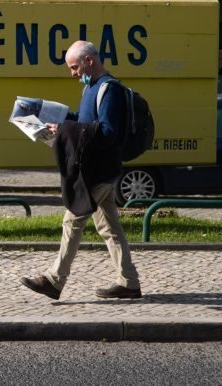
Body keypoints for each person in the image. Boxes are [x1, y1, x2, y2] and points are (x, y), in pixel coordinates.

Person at [20, 40, 142, 301]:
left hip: (99, 172)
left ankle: (54, 280)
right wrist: (60, 122)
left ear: (89, 60)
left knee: (72, 220)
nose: (73, 73)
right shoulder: (92, 89)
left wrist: (64, 130)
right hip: (98, 170)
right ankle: (129, 282)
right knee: (109, 227)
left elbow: (108, 133)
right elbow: (87, 124)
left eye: (74, 67)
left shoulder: (109, 90)